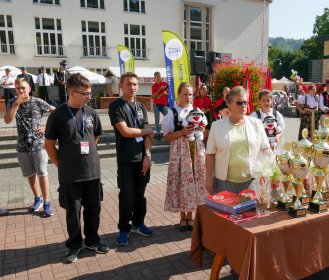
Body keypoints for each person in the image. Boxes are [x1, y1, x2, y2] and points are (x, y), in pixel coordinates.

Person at [45, 73, 109, 263]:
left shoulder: (91, 112)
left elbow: (94, 138)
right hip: (70, 176)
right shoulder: (57, 115)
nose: (89, 97)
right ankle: (74, 245)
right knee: (73, 213)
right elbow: (49, 145)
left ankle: (92, 240)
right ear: (72, 92)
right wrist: (61, 165)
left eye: (90, 93)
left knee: (93, 210)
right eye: (86, 94)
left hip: (92, 172)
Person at [108, 72, 155, 246]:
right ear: (121, 86)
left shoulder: (141, 106)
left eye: (135, 84)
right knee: (126, 196)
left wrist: (147, 155)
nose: (133, 87)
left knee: (140, 195)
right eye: (129, 84)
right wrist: (147, 131)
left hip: (142, 159)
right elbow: (125, 131)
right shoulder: (116, 106)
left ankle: (138, 223)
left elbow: (147, 134)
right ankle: (124, 228)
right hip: (126, 159)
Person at [4, 78, 56, 217]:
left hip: (39, 144)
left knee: (42, 173)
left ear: (29, 89)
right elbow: (7, 120)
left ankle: (46, 202)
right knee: (30, 175)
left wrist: (46, 127)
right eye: (17, 88)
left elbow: (56, 112)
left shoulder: (37, 101)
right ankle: (37, 199)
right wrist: (16, 103)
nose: (20, 90)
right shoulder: (12, 102)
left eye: (23, 88)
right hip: (22, 145)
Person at [205, 86, 271, 194]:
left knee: (250, 211)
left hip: (251, 182)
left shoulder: (256, 124)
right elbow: (210, 155)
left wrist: (275, 168)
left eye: (245, 102)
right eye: (239, 103)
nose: (244, 106)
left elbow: (266, 149)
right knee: (224, 211)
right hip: (223, 182)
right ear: (229, 104)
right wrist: (208, 178)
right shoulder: (216, 126)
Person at [162, 82, 208, 231]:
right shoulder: (172, 112)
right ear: (178, 94)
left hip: (196, 148)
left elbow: (204, 130)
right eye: (185, 94)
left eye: (190, 94)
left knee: (195, 179)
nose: (188, 97)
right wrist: (182, 133)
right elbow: (167, 136)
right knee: (182, 180)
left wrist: (202, 128)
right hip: (180, 151)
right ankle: (183, 216)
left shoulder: (197, 110)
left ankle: (191, 215)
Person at [150, 71, 169, 140]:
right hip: (156, 105)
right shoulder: (154, 86)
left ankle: (168, 132)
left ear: (161, 77)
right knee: (157, 120)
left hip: (164, 105)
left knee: (168, 118)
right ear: (154, 78)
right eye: (156, 77)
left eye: (159, 76)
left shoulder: (165, 83)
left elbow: (166, 92)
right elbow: (153, 96)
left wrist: (160, 95)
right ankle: (158, 134)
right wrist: (159, 90)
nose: (158, 78)